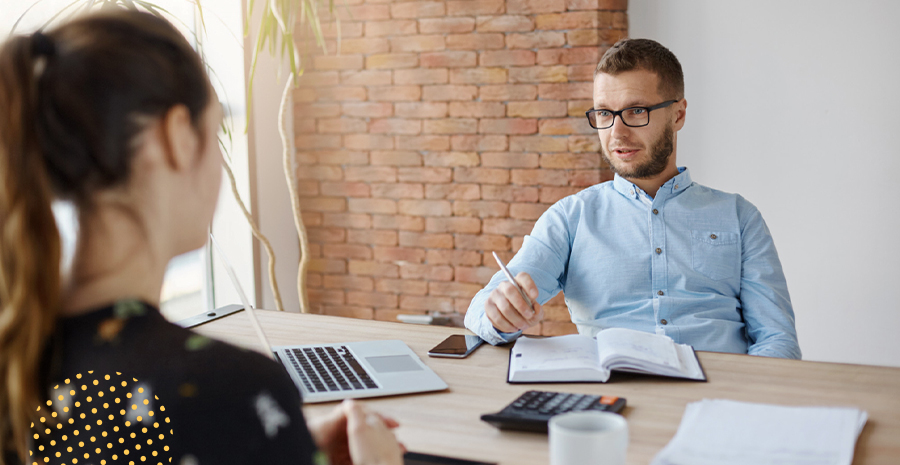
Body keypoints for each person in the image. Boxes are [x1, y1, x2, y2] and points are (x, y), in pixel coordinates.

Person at [0, 10, 403, 465]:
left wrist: (273, 443)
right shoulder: (229, 390)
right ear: (175, 137)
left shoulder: (20, 364)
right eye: (216, 131)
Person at [465, 38, 801, 360]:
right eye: (604, 114)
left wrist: (745, 400)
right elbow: (481, 308)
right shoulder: (571, 218)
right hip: (616, 399)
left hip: (718, 396)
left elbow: (776, 338)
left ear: (678, 115)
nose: (616, 133)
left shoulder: (739, 216)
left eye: (636, 111)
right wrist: (499, 313)